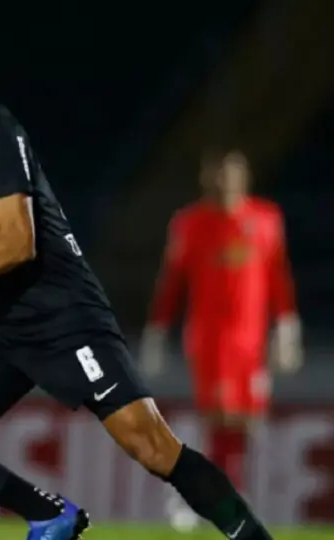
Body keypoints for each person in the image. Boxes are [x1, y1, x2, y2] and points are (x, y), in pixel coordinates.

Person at [0, 19, 273, 540]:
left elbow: (19, 242)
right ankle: (48, 514)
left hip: (66, 316)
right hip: (8, 323)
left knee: (153, 448)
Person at [141, 150, 302, 531]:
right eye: (218, 175)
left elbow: (278, 276)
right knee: (215, 418)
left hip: (251, 341)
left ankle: (230, 496)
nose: (225, 182)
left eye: (232, 175)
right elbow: (172, 282)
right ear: (207, 179)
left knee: (247, 420)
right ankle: (191, 493)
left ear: (244, 177)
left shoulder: (266, 219)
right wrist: (158, 330)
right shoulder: (190, 223)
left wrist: (287, 325)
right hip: (210, 338)